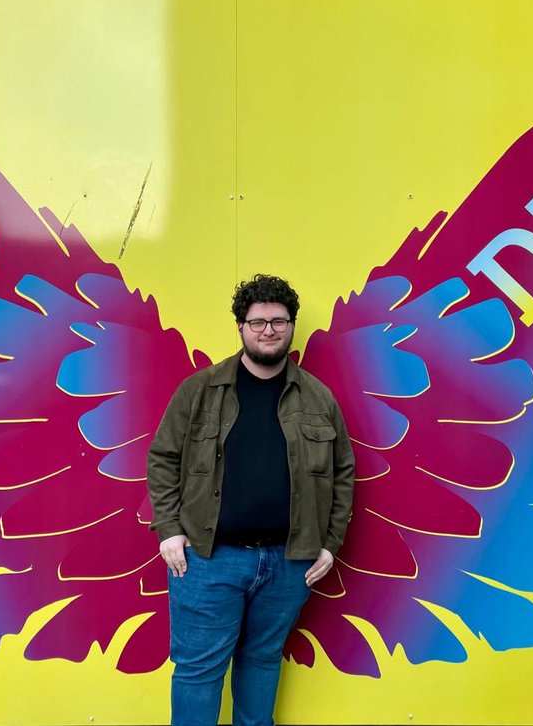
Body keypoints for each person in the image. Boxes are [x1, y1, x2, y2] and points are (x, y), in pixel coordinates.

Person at [146, 274, 356, 726]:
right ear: (241, 326)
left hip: (288, 563)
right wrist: (169, 530)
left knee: (262, 661)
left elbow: (343, 473)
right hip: (207, 560)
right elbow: (163, 458)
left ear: (291, 325)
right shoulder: (199, 391)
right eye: (258, 322)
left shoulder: (318, 398)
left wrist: (330, 543)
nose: (268, 331)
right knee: (199, 671)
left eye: (278, 321)